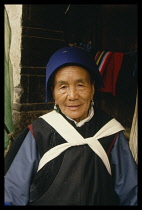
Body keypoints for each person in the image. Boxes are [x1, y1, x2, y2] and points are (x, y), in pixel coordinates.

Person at [4, 46, 137, 206]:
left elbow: (131, 194)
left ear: (93, 88)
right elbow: (12, 194)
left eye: (81, 85)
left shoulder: (111, 134)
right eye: (63, 87)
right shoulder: (38, 133)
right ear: (53, 92)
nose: (73, 96)